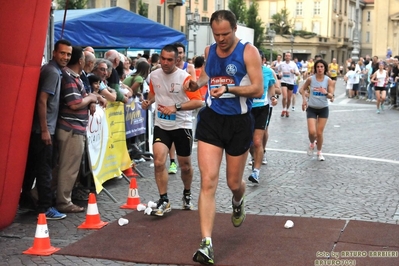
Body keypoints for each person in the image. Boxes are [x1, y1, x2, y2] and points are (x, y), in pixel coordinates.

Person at [185, 10, 263, 265]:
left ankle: (238, 200)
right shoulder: (209, 51)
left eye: (225, 34)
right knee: (208, 181)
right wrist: (198, 84)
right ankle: (206, 243)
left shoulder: (248, 51)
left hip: (239, 122)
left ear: (235, 28)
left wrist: (229, 88)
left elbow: (257, 88)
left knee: (233, 183)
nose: (220, 39)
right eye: (216, 34)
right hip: (211, 120)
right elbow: (208, 75)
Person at [141, 44, 202, 217]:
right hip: (161, 125)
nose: (165, 63)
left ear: (177, 60)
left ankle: (187, 193)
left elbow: (198, 102)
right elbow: (154, 94)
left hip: (182, 126)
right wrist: (148, 102)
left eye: (169, 60)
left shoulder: (184, 78)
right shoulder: (154, 75)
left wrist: (175, 107)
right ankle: (164, 199)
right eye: (163, 59)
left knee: (185, 166)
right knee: (159, 162)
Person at [19, 40, 73, 220]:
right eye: (63, 53)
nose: (66, 57)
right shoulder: (52, 72)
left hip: (41, 128)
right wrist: (44, 129)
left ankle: (27, 200)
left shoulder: (53, 70)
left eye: (68, 54)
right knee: (44, 170)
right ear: (54, 53)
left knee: (33, 169)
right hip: (44, 130)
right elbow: (42, 100)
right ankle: (45, 208)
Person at [56, 46, 98, 213]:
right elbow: (74, 103)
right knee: (68, 167)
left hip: (72, 128)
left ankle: (43, 195)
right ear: (80, 61)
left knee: (63, 166)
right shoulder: (69, 77)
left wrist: (91, 99)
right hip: (71, 129)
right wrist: (91, 99)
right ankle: (63, 202)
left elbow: (82, 98)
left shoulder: (75, 77)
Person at [248, 50, 278, 184]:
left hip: (262, 108)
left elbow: (272, 87)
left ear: (263, 60)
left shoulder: (267, 71)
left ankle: (256, 172)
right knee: (249, 143)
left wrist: (273, 97)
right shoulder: (245, 71)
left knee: (257, 141)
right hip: (247, 108)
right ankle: (255, 157)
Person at [299, 59, 335, 161]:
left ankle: (319, 152)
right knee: (312, 133)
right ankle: (312, 143)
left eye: (322, 67)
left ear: (325, 68)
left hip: (323, 108)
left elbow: (331, 96)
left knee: (319, 133)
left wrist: (325, 92)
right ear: (315, 68)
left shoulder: (328, 81)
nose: (320, 69)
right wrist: (304, 100)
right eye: (318, 67)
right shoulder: (311, 79)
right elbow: (302, 89)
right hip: (312, 108)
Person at [278, 52, 300, 117]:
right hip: (284, 81)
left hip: (291, 82)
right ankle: (283, 109)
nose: (287, 57)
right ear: (284, 57)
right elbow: (279, 71)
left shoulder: (293, 64)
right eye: (286, 56)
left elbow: (298, 73)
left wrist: (294, 72)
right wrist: (280, 74)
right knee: (284, 97)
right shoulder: (282, 64)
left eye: (289, 56)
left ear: (290, 57)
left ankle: (287, 110)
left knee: (289, 98)